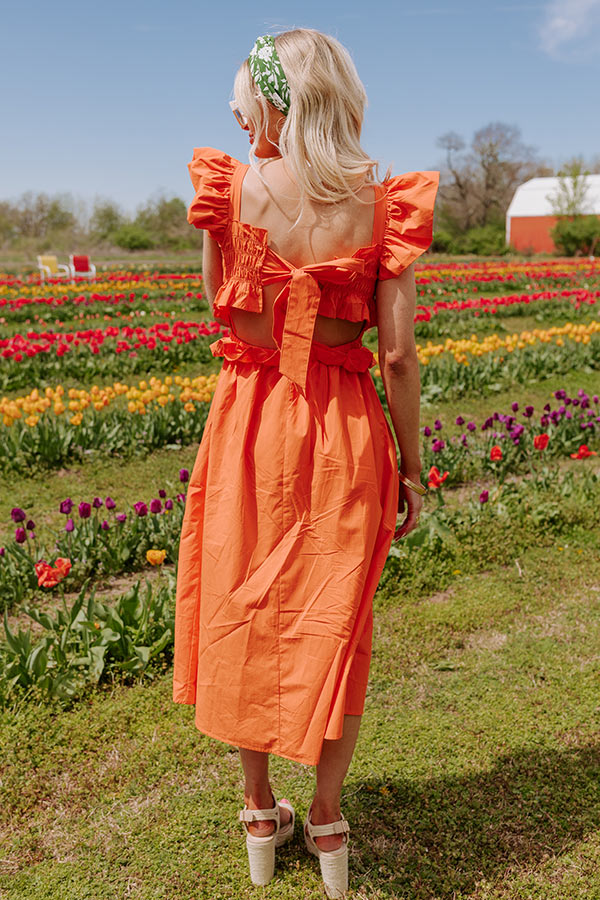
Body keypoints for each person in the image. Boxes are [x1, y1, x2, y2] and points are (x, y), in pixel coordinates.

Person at [173, 28, 439, 898]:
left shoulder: (230, 189)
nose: (236, 116)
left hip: (249, 423)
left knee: (241, 606)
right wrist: (412, 462)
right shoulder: (382, 200)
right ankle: (325, 817)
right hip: (347, 430)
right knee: (336, 622)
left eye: (243, 97)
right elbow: (397, 356)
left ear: (275, 95)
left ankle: (259, 813)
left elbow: (220, 306)